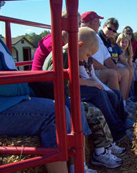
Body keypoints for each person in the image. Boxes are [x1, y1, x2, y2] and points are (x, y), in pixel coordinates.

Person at [43, 27, 128, 168]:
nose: (88, 58)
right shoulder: (63, 55)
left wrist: (94, 84)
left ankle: (111, 139)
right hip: (57, 97)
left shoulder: (71, 53)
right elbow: (65, 83)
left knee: (108, 95)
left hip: (65, 93)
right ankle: (114, 135)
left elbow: (73, 79)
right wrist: (90, 83)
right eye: (88, 55)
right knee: (96, 97)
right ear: (80, 45)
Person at [0, 39, 71, 173]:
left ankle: (76, 165)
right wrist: (28, 88)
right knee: (55, 113)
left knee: (66, 102)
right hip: (4, 104)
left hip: (11, 98)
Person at [92, 17, 131, 101]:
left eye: (114, 31)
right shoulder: (96, 38)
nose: (111, 32)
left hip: (104, 66)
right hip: (95, 70)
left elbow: (108, 59)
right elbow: (90, 60)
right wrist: (113, 69)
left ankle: (124, 101)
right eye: (109, 29)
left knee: (127, 71)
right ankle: (119, 104)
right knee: (113, 74)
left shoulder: (107, 41)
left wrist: (115, 67)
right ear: (103, 26)